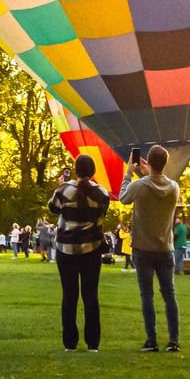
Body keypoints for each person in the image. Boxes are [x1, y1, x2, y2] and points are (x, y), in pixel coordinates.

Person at [50, 151, 113, 353]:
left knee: (69, 296)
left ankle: (70, 343)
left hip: (66, 249)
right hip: (91, 249)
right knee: (90, 295)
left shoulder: (64, 190)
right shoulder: (102, 193)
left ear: (75, 170)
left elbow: (53, 208)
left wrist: (61, 185)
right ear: (93, 171)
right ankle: (93, 342)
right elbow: (101, 216)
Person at [121, 146, 182, 352]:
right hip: (165, 248)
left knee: (147, 295)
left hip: (143, 248)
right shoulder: (174, 187)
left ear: (149, 161)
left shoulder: (139, 186)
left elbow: (123, 198)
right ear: (165, 163)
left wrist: (129, 173)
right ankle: (173, 340)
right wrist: (151, 172)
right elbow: (159, 183)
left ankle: (152, 340)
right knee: (169, 295)